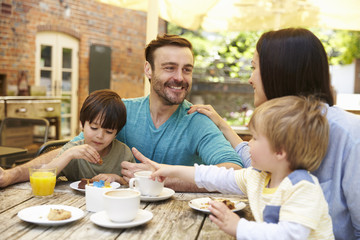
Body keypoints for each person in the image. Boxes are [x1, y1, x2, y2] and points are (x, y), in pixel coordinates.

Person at [0, 34, 243, 191]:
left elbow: (235, 172)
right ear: (148, 69)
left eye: (186, 69)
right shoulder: (122, 111)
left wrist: (159, 177)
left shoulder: (197, 119)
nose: (180, 78)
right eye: (170, 68)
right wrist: (12, 175)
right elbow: (68, 151)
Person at [188, 28, 360, 240]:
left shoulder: (351, 135)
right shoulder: (283, 126)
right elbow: (257, 169)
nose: (250, 79)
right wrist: (223, 126)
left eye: (254, 68)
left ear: (280, 71)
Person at [134, 96, 334, 239]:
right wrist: (170, 170)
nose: (248, 143)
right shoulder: (258, 177)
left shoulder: (303, 188)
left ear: (280, 152)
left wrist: (239, 227)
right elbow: (214, 176)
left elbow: (290, 235)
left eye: (255, 138)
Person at [2, 90, 134, 185]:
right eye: (94, 128)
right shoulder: (74, 150)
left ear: (116, 133)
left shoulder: (123, 153)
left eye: (109, 131)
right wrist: (68, 155)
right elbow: (42, 175)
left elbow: (133, 184)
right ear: (82, 124)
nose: (100, 136)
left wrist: (117, 178)